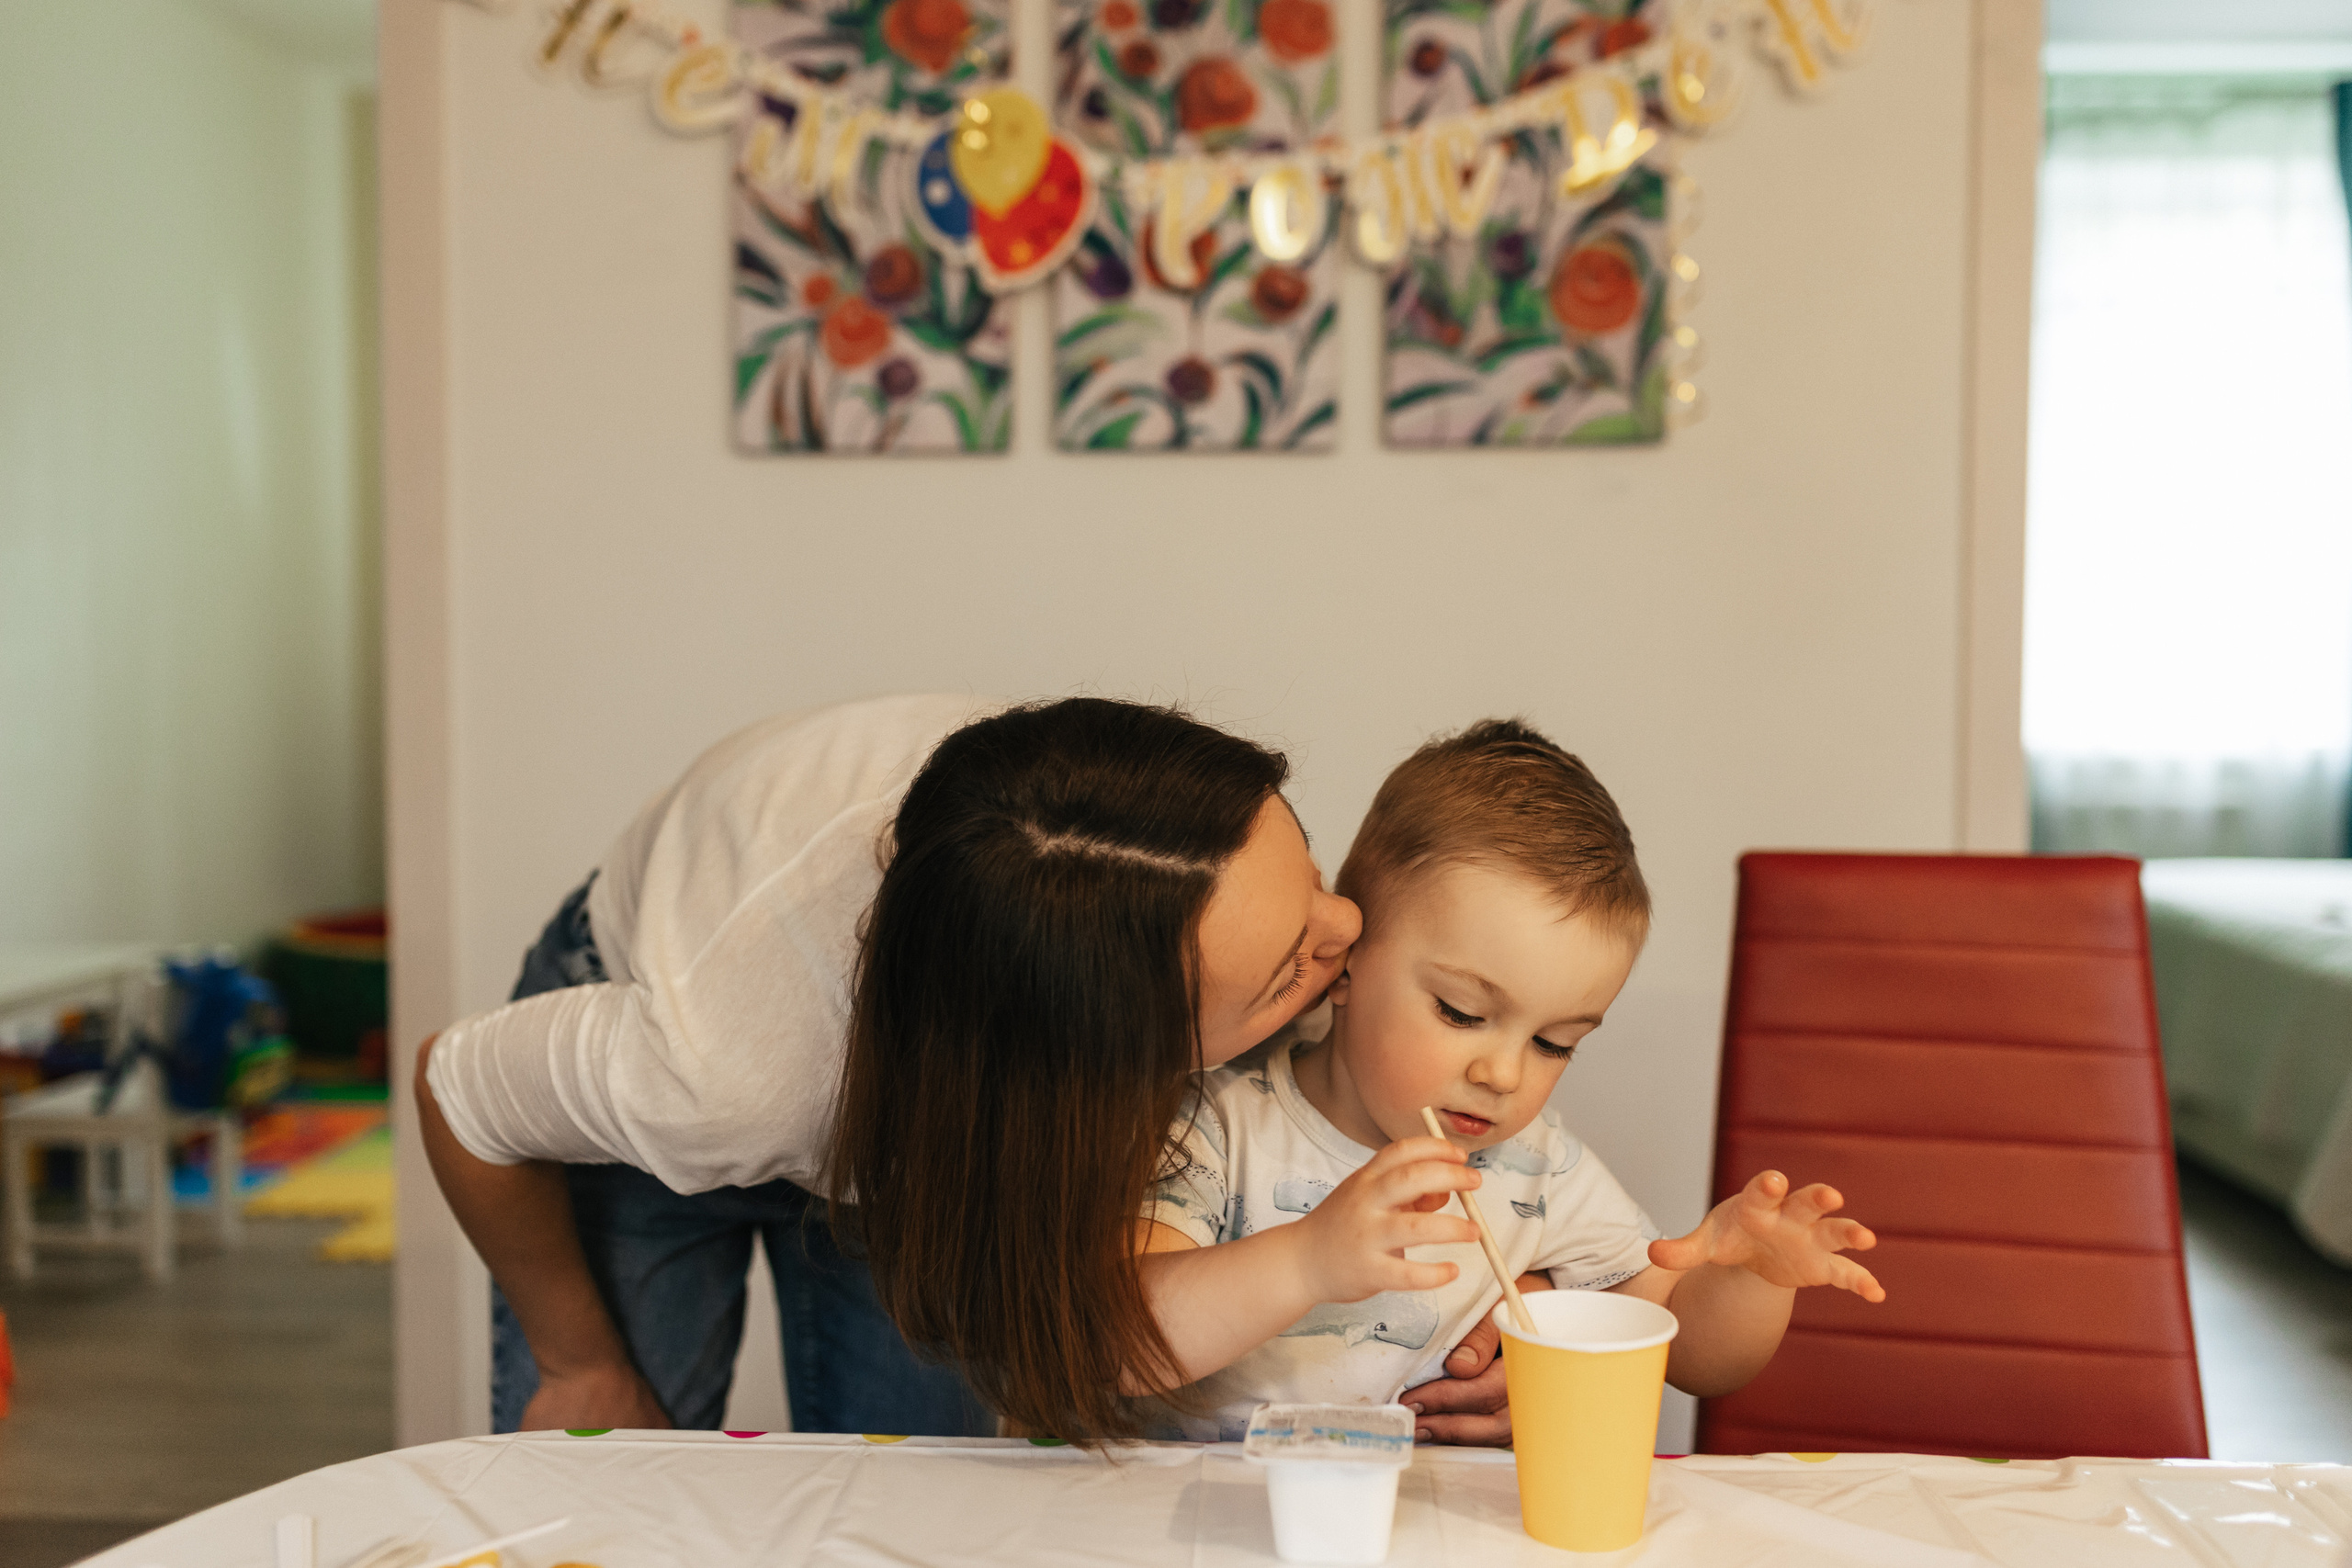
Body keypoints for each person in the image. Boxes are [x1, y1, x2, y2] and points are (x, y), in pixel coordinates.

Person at [421, 692, 1461, 1437]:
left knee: (928, 1475)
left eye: (1313, 874)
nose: (1351, 928)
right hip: (681, 1022)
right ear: (1095, 1066)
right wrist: (580, 1359)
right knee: (609, 1476)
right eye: (1293, 967)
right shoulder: (715, 1071)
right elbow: (452, 1090)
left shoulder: (1120, 868)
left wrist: (1499, 1321)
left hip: (905, 1065)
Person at [1128, 719, 1886, 1442]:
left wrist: (1753, 1276)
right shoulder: (1217, 1120)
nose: (1504, 1074)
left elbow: (1693, 1356)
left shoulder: (1538, 1165)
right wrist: (1307, 1258)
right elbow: (1121, 1337)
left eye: (1555, 1043)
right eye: (1461, 1012)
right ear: (1348, 962)